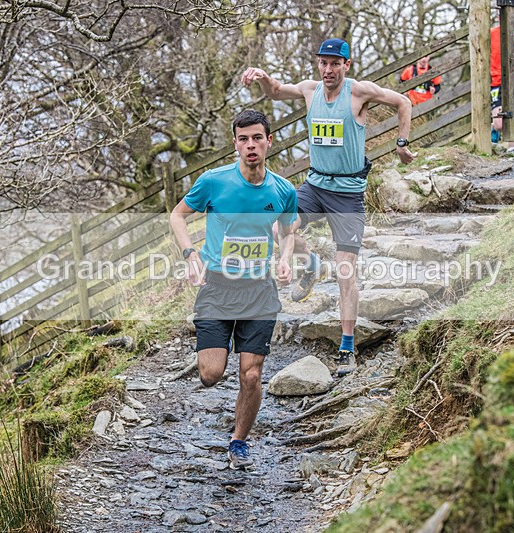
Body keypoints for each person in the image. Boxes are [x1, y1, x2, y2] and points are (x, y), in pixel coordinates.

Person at [241, 38, 414, 376]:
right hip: (315, 186)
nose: (328, 70)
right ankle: (311, 265)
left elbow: (403, 102)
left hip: (347, 195)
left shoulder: (358, 92)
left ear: (346, 65)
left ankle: (347, 346)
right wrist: (262, 76)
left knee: (345, 271)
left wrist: (402, 143)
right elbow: (275, 92)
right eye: (323, 63)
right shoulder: (310, 90)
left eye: (335, 63)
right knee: (279, 228)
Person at [169, 109, 297, 469]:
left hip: (259, 291)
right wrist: (190, 253)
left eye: (257, 138)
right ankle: (215, 347)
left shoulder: (283, 190)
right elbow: (177, 216)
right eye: (243, 139)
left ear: (269, 141)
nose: (250, 145)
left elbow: (289, 230)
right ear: (235, 144)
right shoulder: (214, 181)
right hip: (217, 288)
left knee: (251, 374)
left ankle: (238, 441)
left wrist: (285, 259)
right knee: (211, 374)